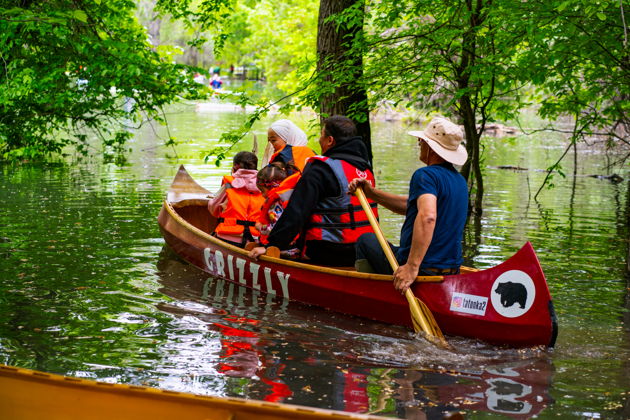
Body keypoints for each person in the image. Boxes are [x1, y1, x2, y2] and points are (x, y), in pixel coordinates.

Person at [348, 116, 468, 293]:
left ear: (432, 149)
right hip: (451, 270)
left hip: (422, 268)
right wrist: (372, 193)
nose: (419, 142)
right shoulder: (460, 181)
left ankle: (376, 296)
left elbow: (427, 216)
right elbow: (412, 206)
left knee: (366, 240)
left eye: (423, 140)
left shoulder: (425, 175)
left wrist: (411, 266)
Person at [249, 115, 378, 266]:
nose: (319, 140)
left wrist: (271, 245)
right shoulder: (365, 168)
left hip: (328, 252)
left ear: (330, 140)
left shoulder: (320, 169)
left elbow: (297, 210)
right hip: (364, 249)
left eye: (321, 135)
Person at [208, 151, 265, 247]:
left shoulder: (229, 184)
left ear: (235, 166)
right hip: (256, 238)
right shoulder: (264, 184)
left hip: (228, 237)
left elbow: (213, 208)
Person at [255, 162, 301, 243]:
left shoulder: (276, 204)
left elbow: (275, 230)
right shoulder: (290, 196)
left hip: (284, 248)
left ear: (271, 186)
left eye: (262, 191)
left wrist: (260, 227)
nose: (262, 195)